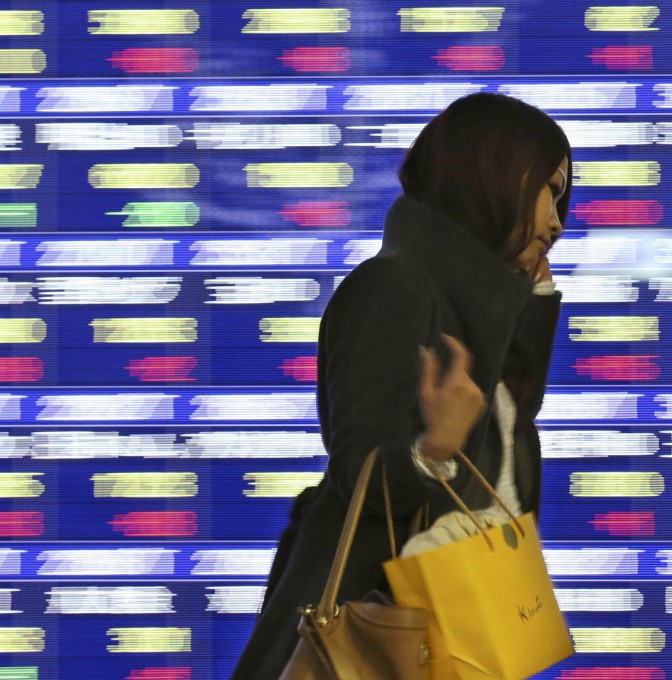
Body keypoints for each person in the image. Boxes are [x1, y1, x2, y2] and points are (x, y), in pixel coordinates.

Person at [231, 91, 572, 679]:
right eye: (551, 188)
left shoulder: (458, 305)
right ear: (497, 175)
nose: (557, 221)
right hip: (382, 637)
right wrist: (433, 452)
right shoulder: (394, 287)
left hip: (447, 638)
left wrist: (530, 304)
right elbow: (360, 465)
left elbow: (500, 434)